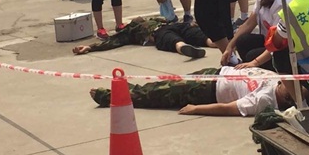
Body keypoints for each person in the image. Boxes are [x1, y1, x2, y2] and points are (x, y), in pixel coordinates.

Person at [90, 65, 295, 116]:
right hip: (215, 73)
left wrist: (196, 109)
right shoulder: (276, 79)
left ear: (287, 98)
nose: (284, 82)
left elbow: (229, 108)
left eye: (288, 87)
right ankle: (126, 88)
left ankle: (108, 96)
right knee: (163, 86)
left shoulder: (265, 100)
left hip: (206, 90)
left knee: (158, 94)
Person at [72, 17, 211, 59]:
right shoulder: (133, 29)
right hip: (168, 28)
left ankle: (184, 47)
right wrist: (90, 47)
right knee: (197, 37)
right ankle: (208, 43)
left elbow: (113, 41)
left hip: (164, 30)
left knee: (174, 40)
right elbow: (113, 41)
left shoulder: (147, 23)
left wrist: (90, 47)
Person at [222, 0, 292, 69]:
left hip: (282, 49)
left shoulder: (281, 4)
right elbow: (248, 24)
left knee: (251, 56)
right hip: (268, 42)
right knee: (242, 41)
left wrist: (254, 63)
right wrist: (229, 47)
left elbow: (277, 43)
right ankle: (245, 68)